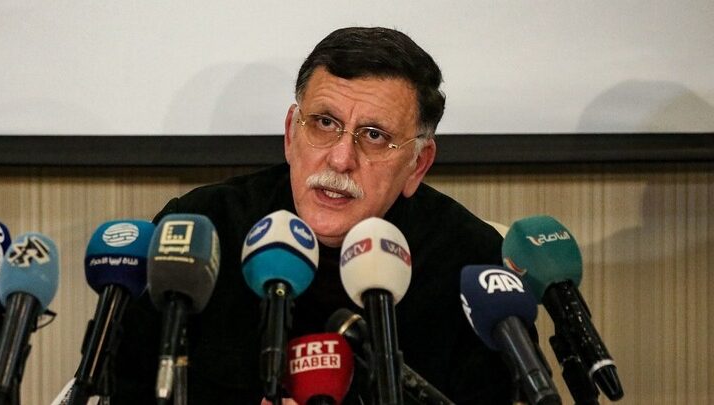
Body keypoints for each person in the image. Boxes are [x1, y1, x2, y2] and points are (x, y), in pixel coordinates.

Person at [113, 27, 513, 404]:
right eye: (324, 123)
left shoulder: (471, 263)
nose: (340, 159)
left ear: (417, 164)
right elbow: (125, 389)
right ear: (291, 133)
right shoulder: (197, 233)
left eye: (375, 135)